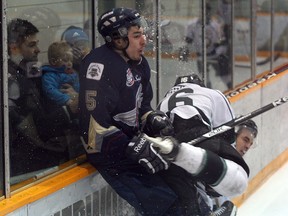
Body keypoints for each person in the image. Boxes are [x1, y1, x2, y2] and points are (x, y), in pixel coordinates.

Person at [78, 7, 208, 216]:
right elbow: (93, 130)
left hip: (134, 145)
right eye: (136, 35)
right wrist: (131, 145)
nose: (144, 40)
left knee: (182, 182)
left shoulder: (139, 64)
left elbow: (142, 106)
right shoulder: (99, 67)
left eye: (143, 34)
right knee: (167, 205)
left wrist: (152, 118)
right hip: (113, 156)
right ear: (118, 40)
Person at [126, 74, 250, 215]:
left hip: (169, 142)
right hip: (198, 132)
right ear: (200, 85)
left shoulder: (164, 99)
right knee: (237, 178)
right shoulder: (212, 93)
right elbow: (227, 134)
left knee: (187, 198)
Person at [7, 18, 78, 176]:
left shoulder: (31, 68)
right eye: (32, 45)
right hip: (28, 161)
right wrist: (69, 109)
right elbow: (34, 128)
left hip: (46, 152)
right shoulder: (10, 81)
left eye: (37, 44)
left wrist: (70, 91)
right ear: (14, 48)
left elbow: (47, 101)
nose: (39, 50)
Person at [179, 3, 230, 89]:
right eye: (202, 11)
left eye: (206, 12)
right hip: (201, 57)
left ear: (209, 13)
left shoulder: (216, 25)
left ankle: (231, 88)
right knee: (204, 79)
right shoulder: (193, 25)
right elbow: (188, 40)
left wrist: (218, 52)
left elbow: (223, 43)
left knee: (224, 76)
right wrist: (184, 50)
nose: (204, 14)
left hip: (215, 56)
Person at [41, 41, 79, 111]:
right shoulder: (49, 76)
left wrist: (77, 93)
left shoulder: (73, 74)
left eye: (71, 60)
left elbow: (78, 87)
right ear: (53, 61)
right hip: (59, 108)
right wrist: (67, 100)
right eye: (65, 60)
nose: (70, 63)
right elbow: (50, 91)